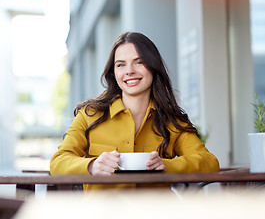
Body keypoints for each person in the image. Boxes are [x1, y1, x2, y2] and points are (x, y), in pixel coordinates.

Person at [50, 32, 219, 190]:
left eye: (139, 62)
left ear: (153, 67)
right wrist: (92, 165)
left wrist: (167, 166)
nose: (129, 71)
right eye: (121, 65)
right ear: (114, 72)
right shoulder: (90, 115)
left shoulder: (171, 120)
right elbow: (58, 162)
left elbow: (209, 162)